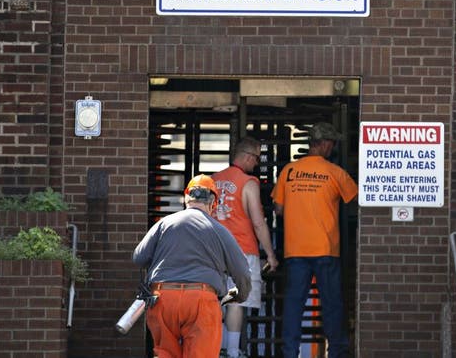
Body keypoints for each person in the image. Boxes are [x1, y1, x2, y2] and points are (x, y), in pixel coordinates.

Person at [132, 174, 252, 358]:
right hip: (201, 301)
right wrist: (240, 295)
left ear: (187, 197)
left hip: (163, 299)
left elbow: (139, 258)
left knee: (165, 354)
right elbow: (242, 271)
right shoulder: (220, 231)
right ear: (213, 202)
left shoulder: (164, 223)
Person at [271, 122, 358, 358]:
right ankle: (337, 352)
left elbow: (278, 208)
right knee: (331, 304)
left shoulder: (288, 171)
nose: (333, 147)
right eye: (332, 143)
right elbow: (355, 199)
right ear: (325, 143)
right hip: (326, 249)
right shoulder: (334, 171)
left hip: (295, 250)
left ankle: (289, 353)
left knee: (293, 305)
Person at [212, 136, 280, 358]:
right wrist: (270, 254)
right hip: (241, 250)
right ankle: (231, 351)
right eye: (257, 159)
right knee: (235, 302)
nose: (257, 164)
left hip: (214, 251)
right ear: (248, 156)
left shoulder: (211, 181)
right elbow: (259, 223)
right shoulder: (248, 183)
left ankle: (214, 349)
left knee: (214, 302)